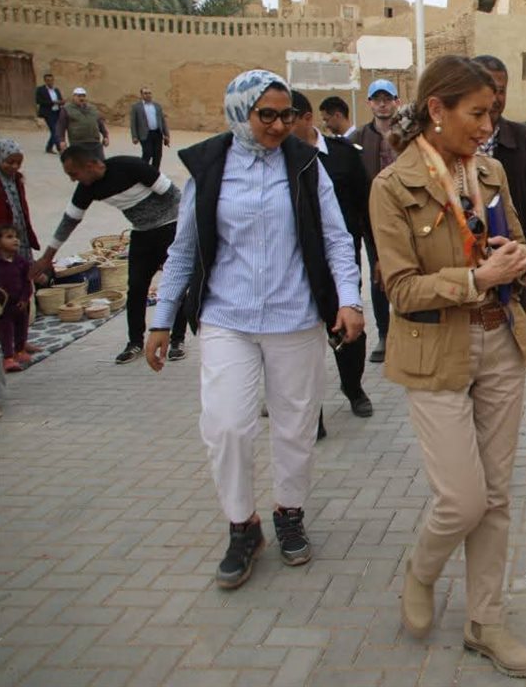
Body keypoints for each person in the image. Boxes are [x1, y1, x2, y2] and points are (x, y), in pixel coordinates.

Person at [144, 69, 363, 590]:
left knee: (295, 425)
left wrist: (350, 300)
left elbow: (337, 239)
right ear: (241, 112)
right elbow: (183, 250)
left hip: (295, 318)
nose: (279, 125)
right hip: (228, 318)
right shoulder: (209, 167)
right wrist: (161, 320)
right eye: (267, 114)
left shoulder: (305, 164)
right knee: (226, 426)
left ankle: (289, 512)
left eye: (286, 115)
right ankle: (242, 525)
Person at [370, 56, 526, 677]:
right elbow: (400, 290)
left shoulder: (490, 171)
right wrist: (475, 279)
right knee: (462, 500)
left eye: (492, 112)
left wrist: (521, 255)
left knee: (494, 497)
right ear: (436, 110)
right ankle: (422, 572)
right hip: (436, 353)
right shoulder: (393, 187)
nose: (488, 125)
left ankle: (484, 622)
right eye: (477, 113)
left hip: (502, 344)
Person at [31, 144, 189, 364]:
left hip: (171, 229)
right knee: (136, 288)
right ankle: (135, 342)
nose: (72, 180)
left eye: (74, 173)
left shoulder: (131, 166)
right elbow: (69, 221)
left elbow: (176, 196)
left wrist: (186, 234)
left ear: (89, 165)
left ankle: (177, 340)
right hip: (141, 235)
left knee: (177, 286)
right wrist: (47, 257)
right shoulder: (87, 188)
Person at [290, 89, 374, 419]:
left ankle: (353, 388)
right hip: (296, 267)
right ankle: (310, 409)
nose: (280, 127)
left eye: (288, 118)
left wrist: (379, 256)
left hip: (340, 261)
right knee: (296, 338)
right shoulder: (278, 160)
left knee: (349, 329)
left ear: (306, 118)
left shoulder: (343, 155)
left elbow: (366, 208)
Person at [473, 56, 526, 332]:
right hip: (469, 280)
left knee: (519, 342)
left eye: (501, 90)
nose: (495, 99)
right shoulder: (452, 145)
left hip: (516, 273)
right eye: (488, 90)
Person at [351, 79, 401, 363]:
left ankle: (408, 333)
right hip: (373, 219)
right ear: (369, 103)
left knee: (409, 274)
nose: (382, 104)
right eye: (377, 99)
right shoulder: (358, 138)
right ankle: (384, 333)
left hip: (408, 215)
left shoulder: (409, 134)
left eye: (387, 99)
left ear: (396, 102)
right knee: (379, 277)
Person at [0, 139, 40, 261]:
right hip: (1, 239)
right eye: (10, 162)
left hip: (19, 234)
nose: (15, 166)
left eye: (19, 163)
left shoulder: (17, 180)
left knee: (21, 265)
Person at [0, 225, 33, 373]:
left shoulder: (21, 262)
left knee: (21, 328)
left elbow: (27, 282)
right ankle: (8, 357)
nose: (15, 240)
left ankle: (20, 350)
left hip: (20, 304)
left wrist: (24, 299)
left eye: (16, 237)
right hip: (3, 307)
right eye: (9, 237)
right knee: (5, 331)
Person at [130, 87, 171, 170]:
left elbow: (162, 121)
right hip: (145, 134)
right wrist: (134, 136)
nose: (148, 95)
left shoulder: (157, 106)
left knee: (157, 155)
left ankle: (154, 173)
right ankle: (142, 171)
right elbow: (133, 123)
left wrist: (166, 135)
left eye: (149, 93)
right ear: (141, 95)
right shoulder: (136, 107)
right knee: (147, 153)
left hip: (157, 133)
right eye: (145, 93)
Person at [56, 88, 109, 152]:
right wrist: (62, 140)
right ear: (73, 97)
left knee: (99, 158)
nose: (81, 98)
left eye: (83, 96)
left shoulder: (92, 109)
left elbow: (100, 124)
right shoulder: (66, 109)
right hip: (77, 143)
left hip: (95, 142)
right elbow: (61, 126)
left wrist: (105, 136)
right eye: (79, 96)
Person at [35, 74, 64, 154]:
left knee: (56, 130)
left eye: (51, 80)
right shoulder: (41, 90)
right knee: (55, 130)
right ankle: (59, 148)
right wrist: (52, 102)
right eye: (48, 80)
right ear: (45, 81)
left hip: (57, 112)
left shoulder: (56, 90)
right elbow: (38, 101)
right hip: (48, 113)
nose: (50, 82)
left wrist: (61, 102)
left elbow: (60, 99)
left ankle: (49, 147)